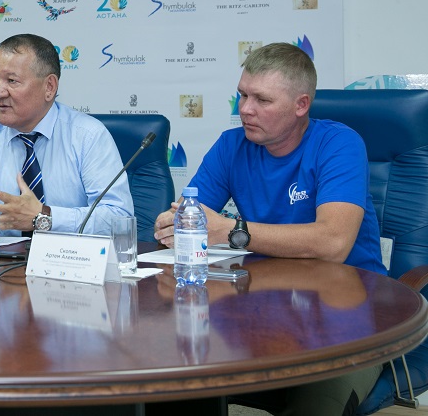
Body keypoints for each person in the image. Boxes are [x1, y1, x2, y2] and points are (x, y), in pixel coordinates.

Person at [154, 41, 385, 415]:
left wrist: (232, 231)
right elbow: (189, 217)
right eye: (243, 95)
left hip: (345, 319)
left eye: (262, 99)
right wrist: (174, 225)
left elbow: (333, 243)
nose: (245, 109)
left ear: (301, 105)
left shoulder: (339, 144)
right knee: (173, 385)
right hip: (259, 309)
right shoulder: (231, 145)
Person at [0, 33, 133, 235]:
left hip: (68, 255)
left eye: (12, 80)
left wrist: (44, 217)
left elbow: (118, 218)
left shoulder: (88, 137)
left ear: (49, 87)